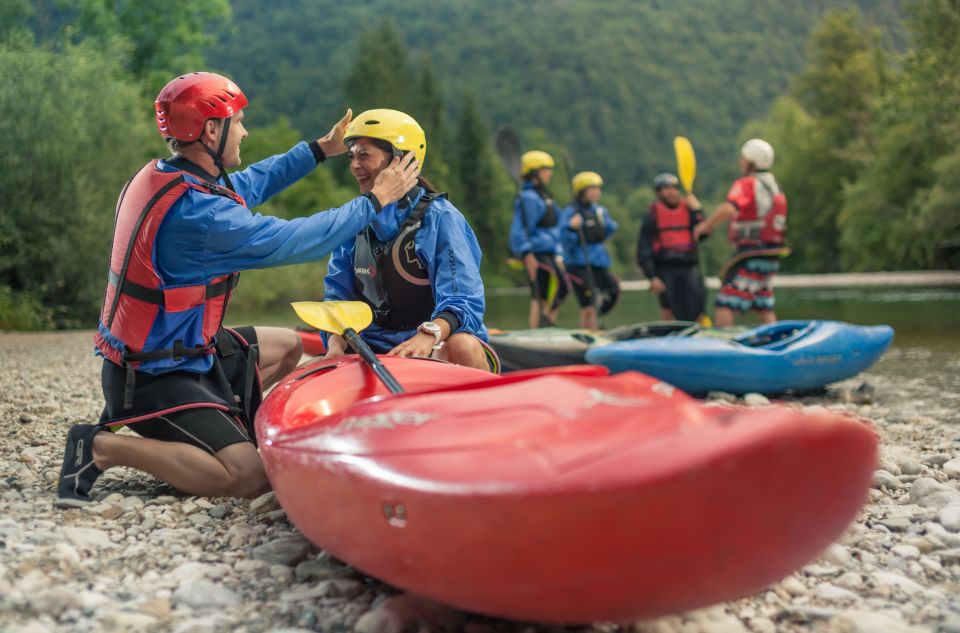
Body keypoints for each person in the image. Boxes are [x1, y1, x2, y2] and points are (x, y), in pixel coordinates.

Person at [55, 72, 419, 507]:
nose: (244, 130)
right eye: (237, 121)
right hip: (154, 376)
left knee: (286, 347)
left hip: (181, 350)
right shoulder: (202, 219)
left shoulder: (168, 176)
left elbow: (251, 183)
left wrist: (319, 151)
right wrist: (375, 200)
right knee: (250, 476)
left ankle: (223, 432)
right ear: (211, 130)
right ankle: (100, 448)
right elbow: (300, 239)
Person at [322, 109, 499, 373]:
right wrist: (335, 341)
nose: (354, 165)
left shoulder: (440, 217)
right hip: (372, 347)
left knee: (463, 344)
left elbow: (464, 299)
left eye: (364, 155)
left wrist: (428, 336)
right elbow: (338, 298)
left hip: (435, 342)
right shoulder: (355, 220)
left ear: (400, 160)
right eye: (352, 156)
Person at [693, 139, 788, 326]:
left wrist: (706, 226)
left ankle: (722, 344)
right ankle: (776, 340)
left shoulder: (747, 183)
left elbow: (729, 208)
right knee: (763, 304)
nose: (740, 161)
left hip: (751, 252)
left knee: (725, 301)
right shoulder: (775, 185)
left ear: (751, 162)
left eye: (743, 158)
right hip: (772, 253)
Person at [636, 173, 709, 322]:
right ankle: (667, 337)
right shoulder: (652, 215)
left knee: (697, 305)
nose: (671, 192)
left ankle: (699, 337)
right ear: (659, 193)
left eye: (674, 188)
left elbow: (704, 234)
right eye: (666, 189)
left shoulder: (689, 210)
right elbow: (644, 248)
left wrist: (698, 210)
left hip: (689, 265)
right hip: (665, 268)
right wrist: (651, 276)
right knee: (668, 307)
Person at [508, 150, 569, 329]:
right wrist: (527, 253)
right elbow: (518, 230)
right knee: (539, 293)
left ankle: (548, 323)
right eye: (546, 169)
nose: (549, 173)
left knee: (562, 288)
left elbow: (556, 226)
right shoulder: (528, 198)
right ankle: (537, 330)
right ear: (534, 172)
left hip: (549, 252)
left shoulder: (546, 197)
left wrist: (559, 253)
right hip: (535, 253)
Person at [559, 171, 620, 329]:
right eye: (591, 188)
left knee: (612, 290)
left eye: (597, 188)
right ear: (581, 191)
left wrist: (602, 226)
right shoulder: (570, 212)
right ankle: (589, 333)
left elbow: (608, 230)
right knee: (588, 302)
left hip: (598, 262)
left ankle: (597, 326)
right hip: (578, 264)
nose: (596, 192)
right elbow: (563, 240)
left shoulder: (600, 211)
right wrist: (572, 228)